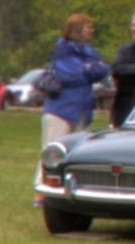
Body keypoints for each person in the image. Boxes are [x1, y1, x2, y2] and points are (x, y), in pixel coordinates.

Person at [43, 13, 109, 146]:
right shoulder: (62, 49)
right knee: (54, 155)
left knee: (77, 157)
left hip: (82, 112)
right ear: (77, 28)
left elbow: (103, 69)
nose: (92, 30)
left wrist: (89, 69)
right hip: (60, 112)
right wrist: (90, 69)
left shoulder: (89, 50)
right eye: (88, 26)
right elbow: (70, 76)